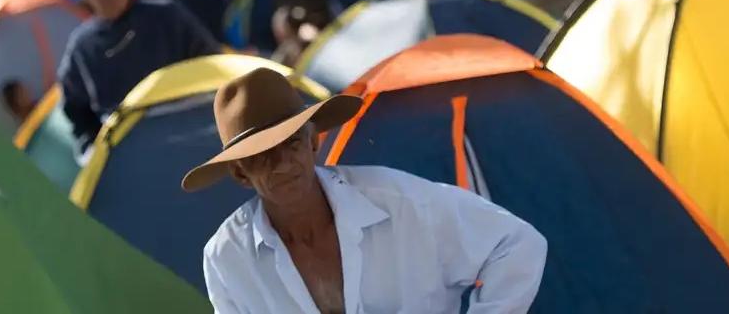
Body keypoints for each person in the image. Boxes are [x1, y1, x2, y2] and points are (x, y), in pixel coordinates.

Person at [184, 68, 547, 313]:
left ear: (314, 143)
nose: (281, 164)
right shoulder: (227, 257)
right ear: (240, 173)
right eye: (260, 156)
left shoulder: (399, 203)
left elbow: (518, 244)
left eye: (290, 143)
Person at [58, 0, 222, 151]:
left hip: (190, 135)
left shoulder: (168, 16)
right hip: (132, 153)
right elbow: (76, 111)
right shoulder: (82, 47)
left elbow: (213, 67)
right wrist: (95, 150)